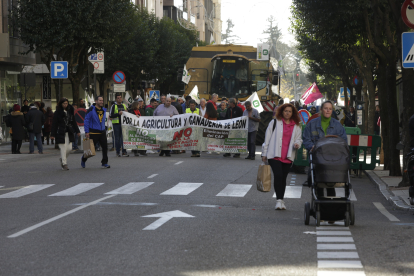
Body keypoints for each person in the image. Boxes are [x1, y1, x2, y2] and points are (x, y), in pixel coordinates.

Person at [262, 103, 303, 210]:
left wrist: (297, 143)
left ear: (293, 113)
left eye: (290, 111)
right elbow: (267, 138)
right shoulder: (275, 122)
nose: (287, 113)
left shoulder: (296, 125)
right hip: (274, 154)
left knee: (283, 178)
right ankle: (278, 200)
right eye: (286, 111)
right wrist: (264, 153)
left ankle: (281, 200)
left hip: (288, 155)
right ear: (281, 112)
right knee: (278, 175)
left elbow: (299, 138)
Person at [303, 100, 347, 198]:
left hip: (333, 159)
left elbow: (343, 141)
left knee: (331, 184)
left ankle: (331, 204)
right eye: (326, 108)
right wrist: (312, 147)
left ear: (332, 111)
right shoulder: (312, 124)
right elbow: (306, 139)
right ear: (321, 109)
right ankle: (320, 204)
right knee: (319, 184)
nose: (328, 111)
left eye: (330, 109)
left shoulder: (338, 125)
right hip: (318, 159)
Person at [50, 98, 80, 170]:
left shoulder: (70, 111)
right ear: (61, 104)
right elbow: (54, 124)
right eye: (64, 103)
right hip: (60, 132)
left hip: (69, 131)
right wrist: (52, 134)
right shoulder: (57, 112)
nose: (65, 105)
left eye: (66, 103)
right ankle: (64, 164)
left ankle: (62, 158)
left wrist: (77, 131)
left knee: (69, 149)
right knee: (63, 149)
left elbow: (73, 122)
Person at [81, 95, 110, 169]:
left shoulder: (103, 110)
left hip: (102, 132)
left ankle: (104, 162)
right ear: (96, 101)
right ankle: (83, 159)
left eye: (102, 100)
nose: (101, 102)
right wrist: (87, 131)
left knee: (105, 147)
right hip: (93, 132)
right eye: (100, 100)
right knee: (89, 149)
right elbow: (86, 121)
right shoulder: (91, 109)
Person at [110, 93, 129, 157]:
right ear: (116, 99)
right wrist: (118, 113)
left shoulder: (124, 105)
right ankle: (118, 152)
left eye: (120, 97)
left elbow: (127, 114)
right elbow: (111, 115)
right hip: (116, 124)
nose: (119, 99)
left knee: (124, 138)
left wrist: (126, 112)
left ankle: (124, 151)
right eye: (118, 98)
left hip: (123, 124)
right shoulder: (113, 106)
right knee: (117, 139)